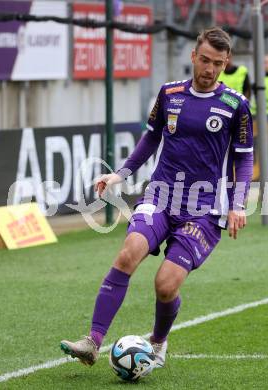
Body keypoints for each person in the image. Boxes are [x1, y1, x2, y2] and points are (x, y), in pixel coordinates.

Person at [60, 27, 253, 368]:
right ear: (193, 56)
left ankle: (158, 341)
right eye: (205, 60)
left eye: (218, 64)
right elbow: (150, 139)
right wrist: (120, 174)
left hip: (204, 210)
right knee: (127, 254)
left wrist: (238, 203)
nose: (209, 70)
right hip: (161, 195)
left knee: (165, 285)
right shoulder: (169, 94)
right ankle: (92, 341)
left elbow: (244, 156)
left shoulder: (235, 105)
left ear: (226, 63)